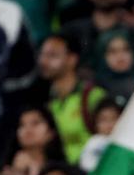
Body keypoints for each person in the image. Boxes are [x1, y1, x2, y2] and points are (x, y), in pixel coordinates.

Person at [38, 34, 104, 164]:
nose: (43, 61)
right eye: (42, 55)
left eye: (52, 55)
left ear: (72, 59)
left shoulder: (92, 96)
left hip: (92, 171)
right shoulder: (48, 103)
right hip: (62, 173)